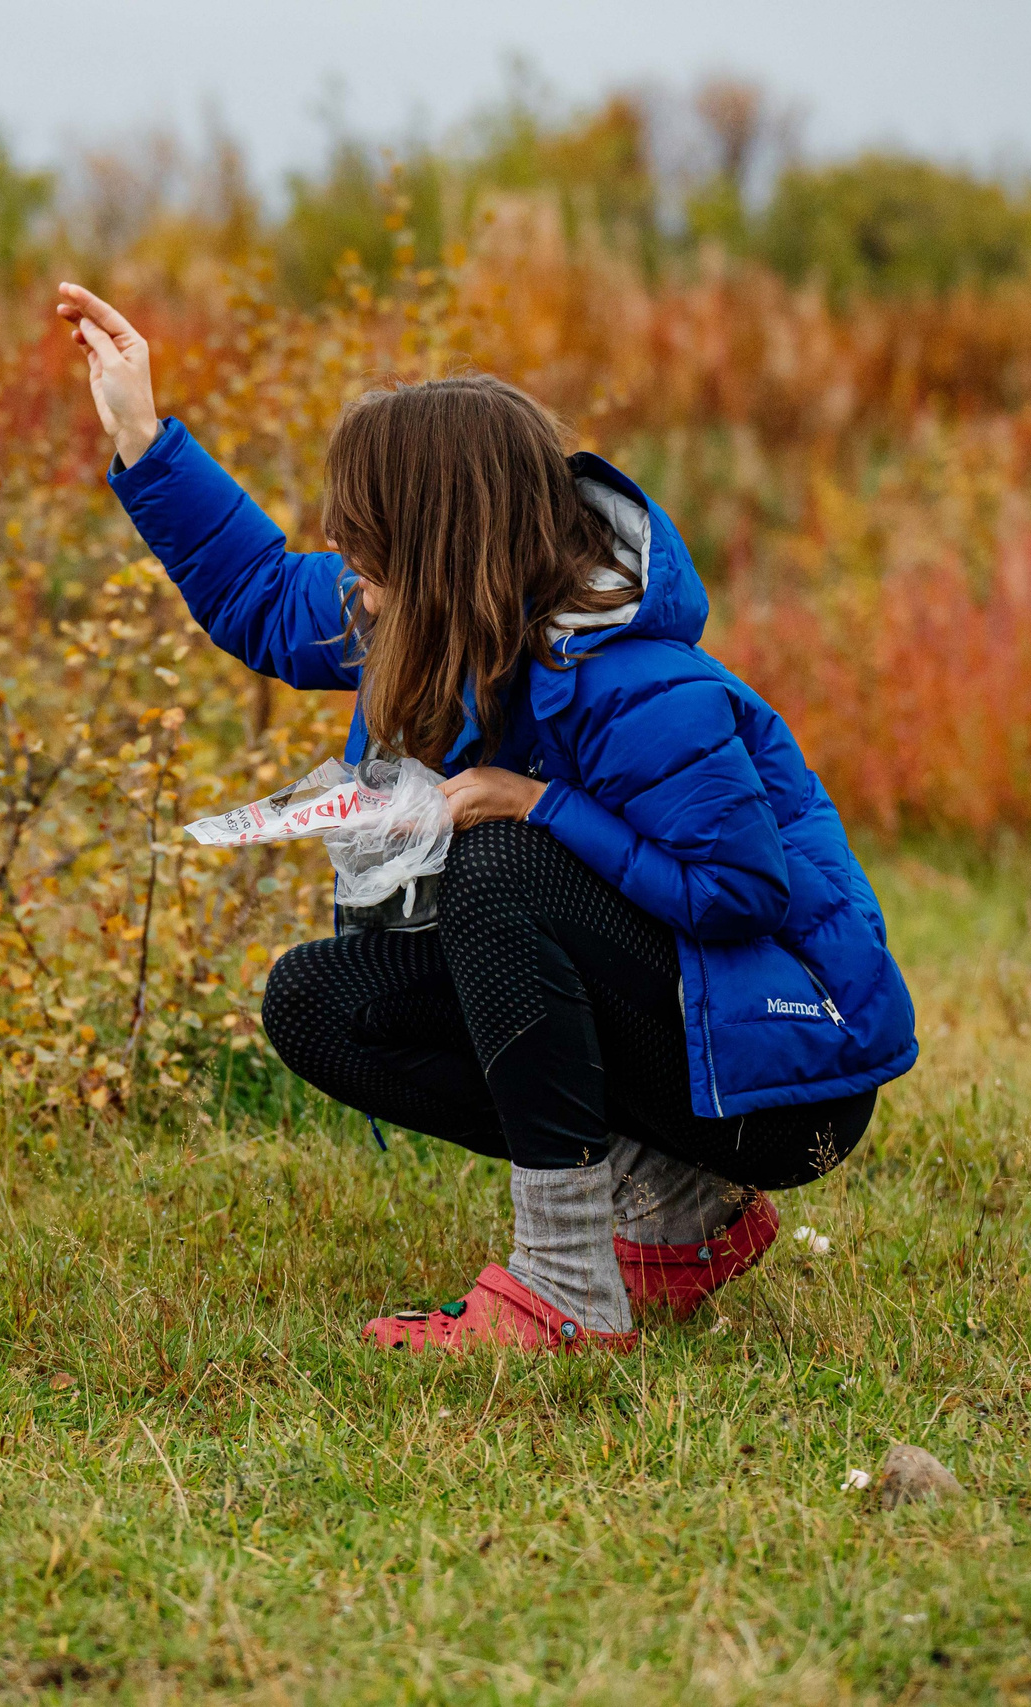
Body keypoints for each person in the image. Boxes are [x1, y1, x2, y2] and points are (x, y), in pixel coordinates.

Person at [58, 282, 917, 1354]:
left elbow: (740, 893)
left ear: (443, 548)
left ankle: (567, 1289)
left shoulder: (638, 683)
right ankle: (676, 1211)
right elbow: (263, 599)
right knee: (320, 1003)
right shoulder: (433, 623)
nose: (351, 578)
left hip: (783, 1086)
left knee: (503, 864)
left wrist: (537, 803)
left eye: (367, 546)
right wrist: (143, 434)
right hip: (684, 1053)